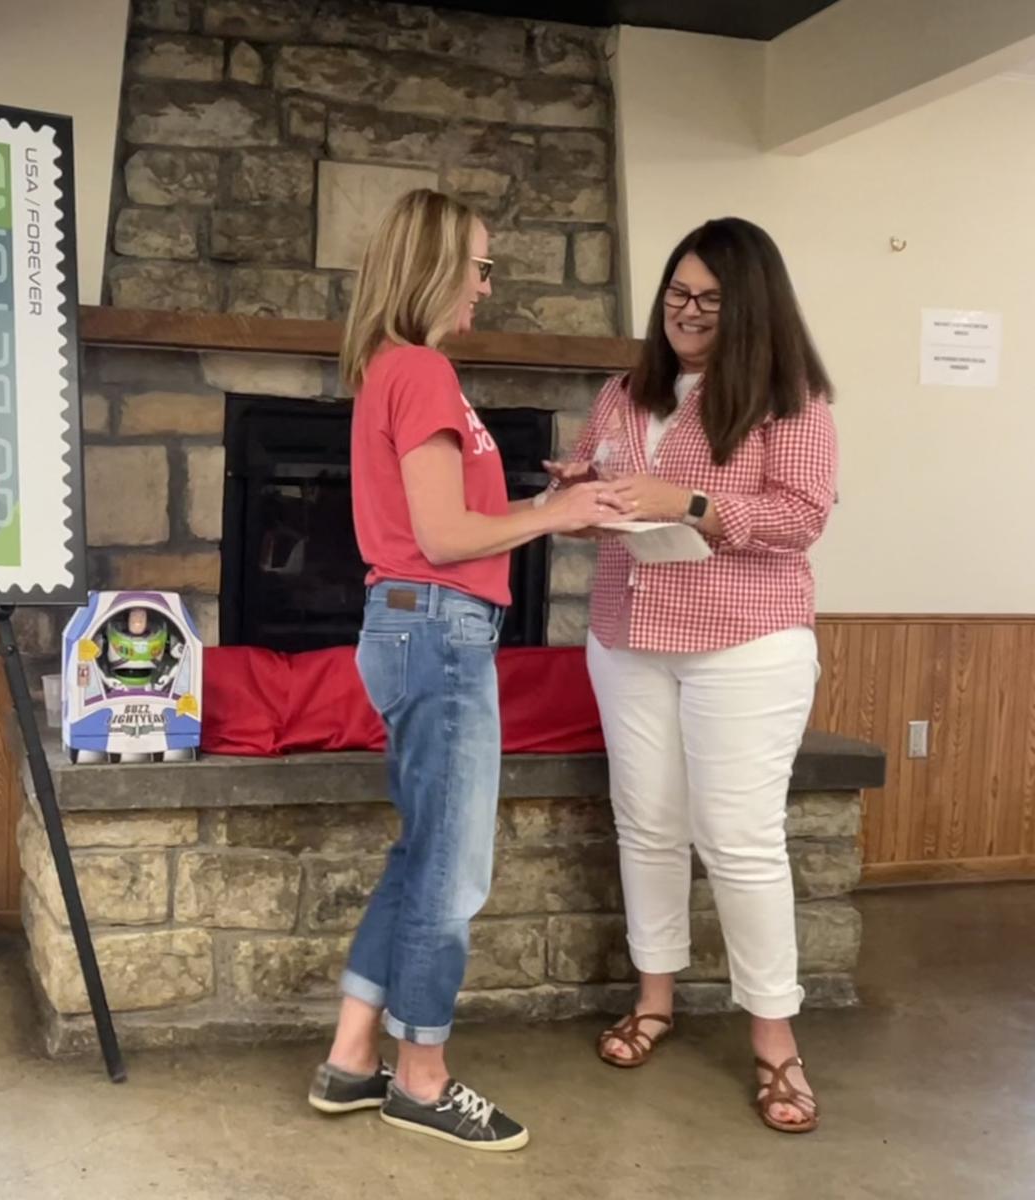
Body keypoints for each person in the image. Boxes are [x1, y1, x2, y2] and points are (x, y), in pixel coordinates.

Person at [306, 188, 627, 1151]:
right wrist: (555, 518)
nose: (488, 285)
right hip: (438, 631)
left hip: (415, 627)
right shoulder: (424, 371)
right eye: (480, 266)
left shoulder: (394, 372)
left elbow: (435, 522)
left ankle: (354, 1058)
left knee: (422, 853)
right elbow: (444, 539)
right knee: (452, 872)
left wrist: (539, 494)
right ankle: (423, 1076)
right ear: (437, 266)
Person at [548, 217, 837, 1134]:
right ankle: (656, 998)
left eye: (709, 300)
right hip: (628, 634)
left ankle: (776, 1044)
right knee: (649, 827)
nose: (687, 312)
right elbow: (602, 487)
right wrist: (581, 497)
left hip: (744, 643)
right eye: (676, 295)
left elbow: (798, 518)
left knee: (740, 839)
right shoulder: (625, 393)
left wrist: (693, 503)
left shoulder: (793, 400)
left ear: (750, 306)